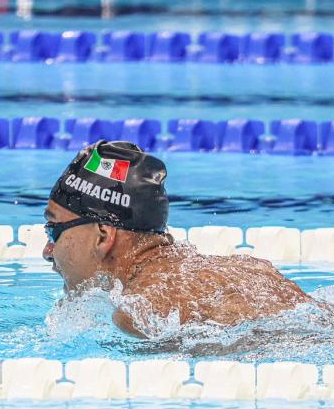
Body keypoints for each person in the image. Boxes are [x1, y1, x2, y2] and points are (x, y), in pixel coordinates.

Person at [43, 140, 312, 338]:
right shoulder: (240, 268)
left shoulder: (140, 313)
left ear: (103, 236)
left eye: (53, 229)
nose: (47, 250)